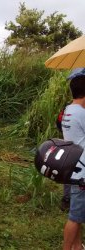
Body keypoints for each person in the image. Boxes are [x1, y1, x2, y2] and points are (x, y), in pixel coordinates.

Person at [62, 68, 85, 250]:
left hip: (75, 169)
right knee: (75, 217)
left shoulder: (69, 109)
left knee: (78, 214)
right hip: (83, 173)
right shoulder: (82, 114)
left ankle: (77, 246)